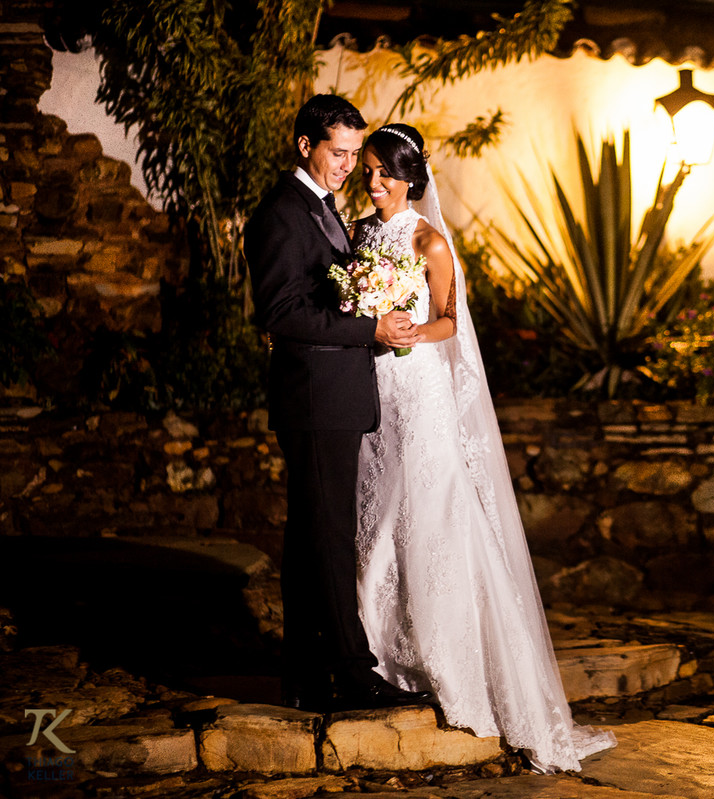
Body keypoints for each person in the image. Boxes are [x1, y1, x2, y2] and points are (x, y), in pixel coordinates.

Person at [350, 123, 617, 772]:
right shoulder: (357, 233)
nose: (374, 181)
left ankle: (445, 662)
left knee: (426, 515)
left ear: (410, 177)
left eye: (385, 172)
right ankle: (376, 653)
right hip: (370, 390)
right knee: (373, 515)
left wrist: (410, 332)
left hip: (419, 392)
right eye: (369, 170)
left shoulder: (429, 241)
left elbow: (451, 320)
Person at [245, 95, 432, 713]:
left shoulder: (324, 209)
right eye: (339, 152)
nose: (349, 166)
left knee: (311, 539)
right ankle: (353, 673)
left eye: (356, 154)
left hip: (335, 396)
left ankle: (304, 676)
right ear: (306, 146)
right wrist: (370, 327)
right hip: (314, 397)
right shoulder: (281, 213)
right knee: (329, 537)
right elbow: (280, 312)